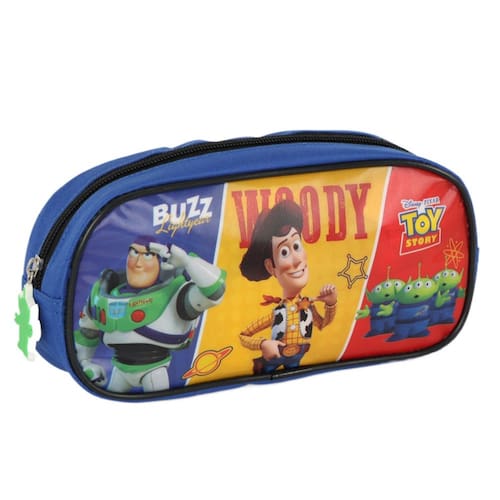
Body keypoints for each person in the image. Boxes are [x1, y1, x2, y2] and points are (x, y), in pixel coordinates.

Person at [74, 236, 226, 393]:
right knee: (111, 402)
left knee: (159, 404)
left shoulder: (176, 295)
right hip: (119, 369)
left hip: (154, 371)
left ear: (161, 264)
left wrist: (187, 261)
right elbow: (87, 333)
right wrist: (85, 363)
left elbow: (216, 292)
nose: (137, 263)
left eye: (147, 255)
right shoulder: (102, 296)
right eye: (133, 253)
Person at [239, 200, 337, 374]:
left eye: (297, 246)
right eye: (284, 252)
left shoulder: (309, 306)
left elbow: (322, 324)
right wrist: (263, 343)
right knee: (266, 372)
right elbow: (243, 336)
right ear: (271, 267)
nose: (298, 260)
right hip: (275, 357)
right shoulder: (276, 312)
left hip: (297, 357)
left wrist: (331, 304)